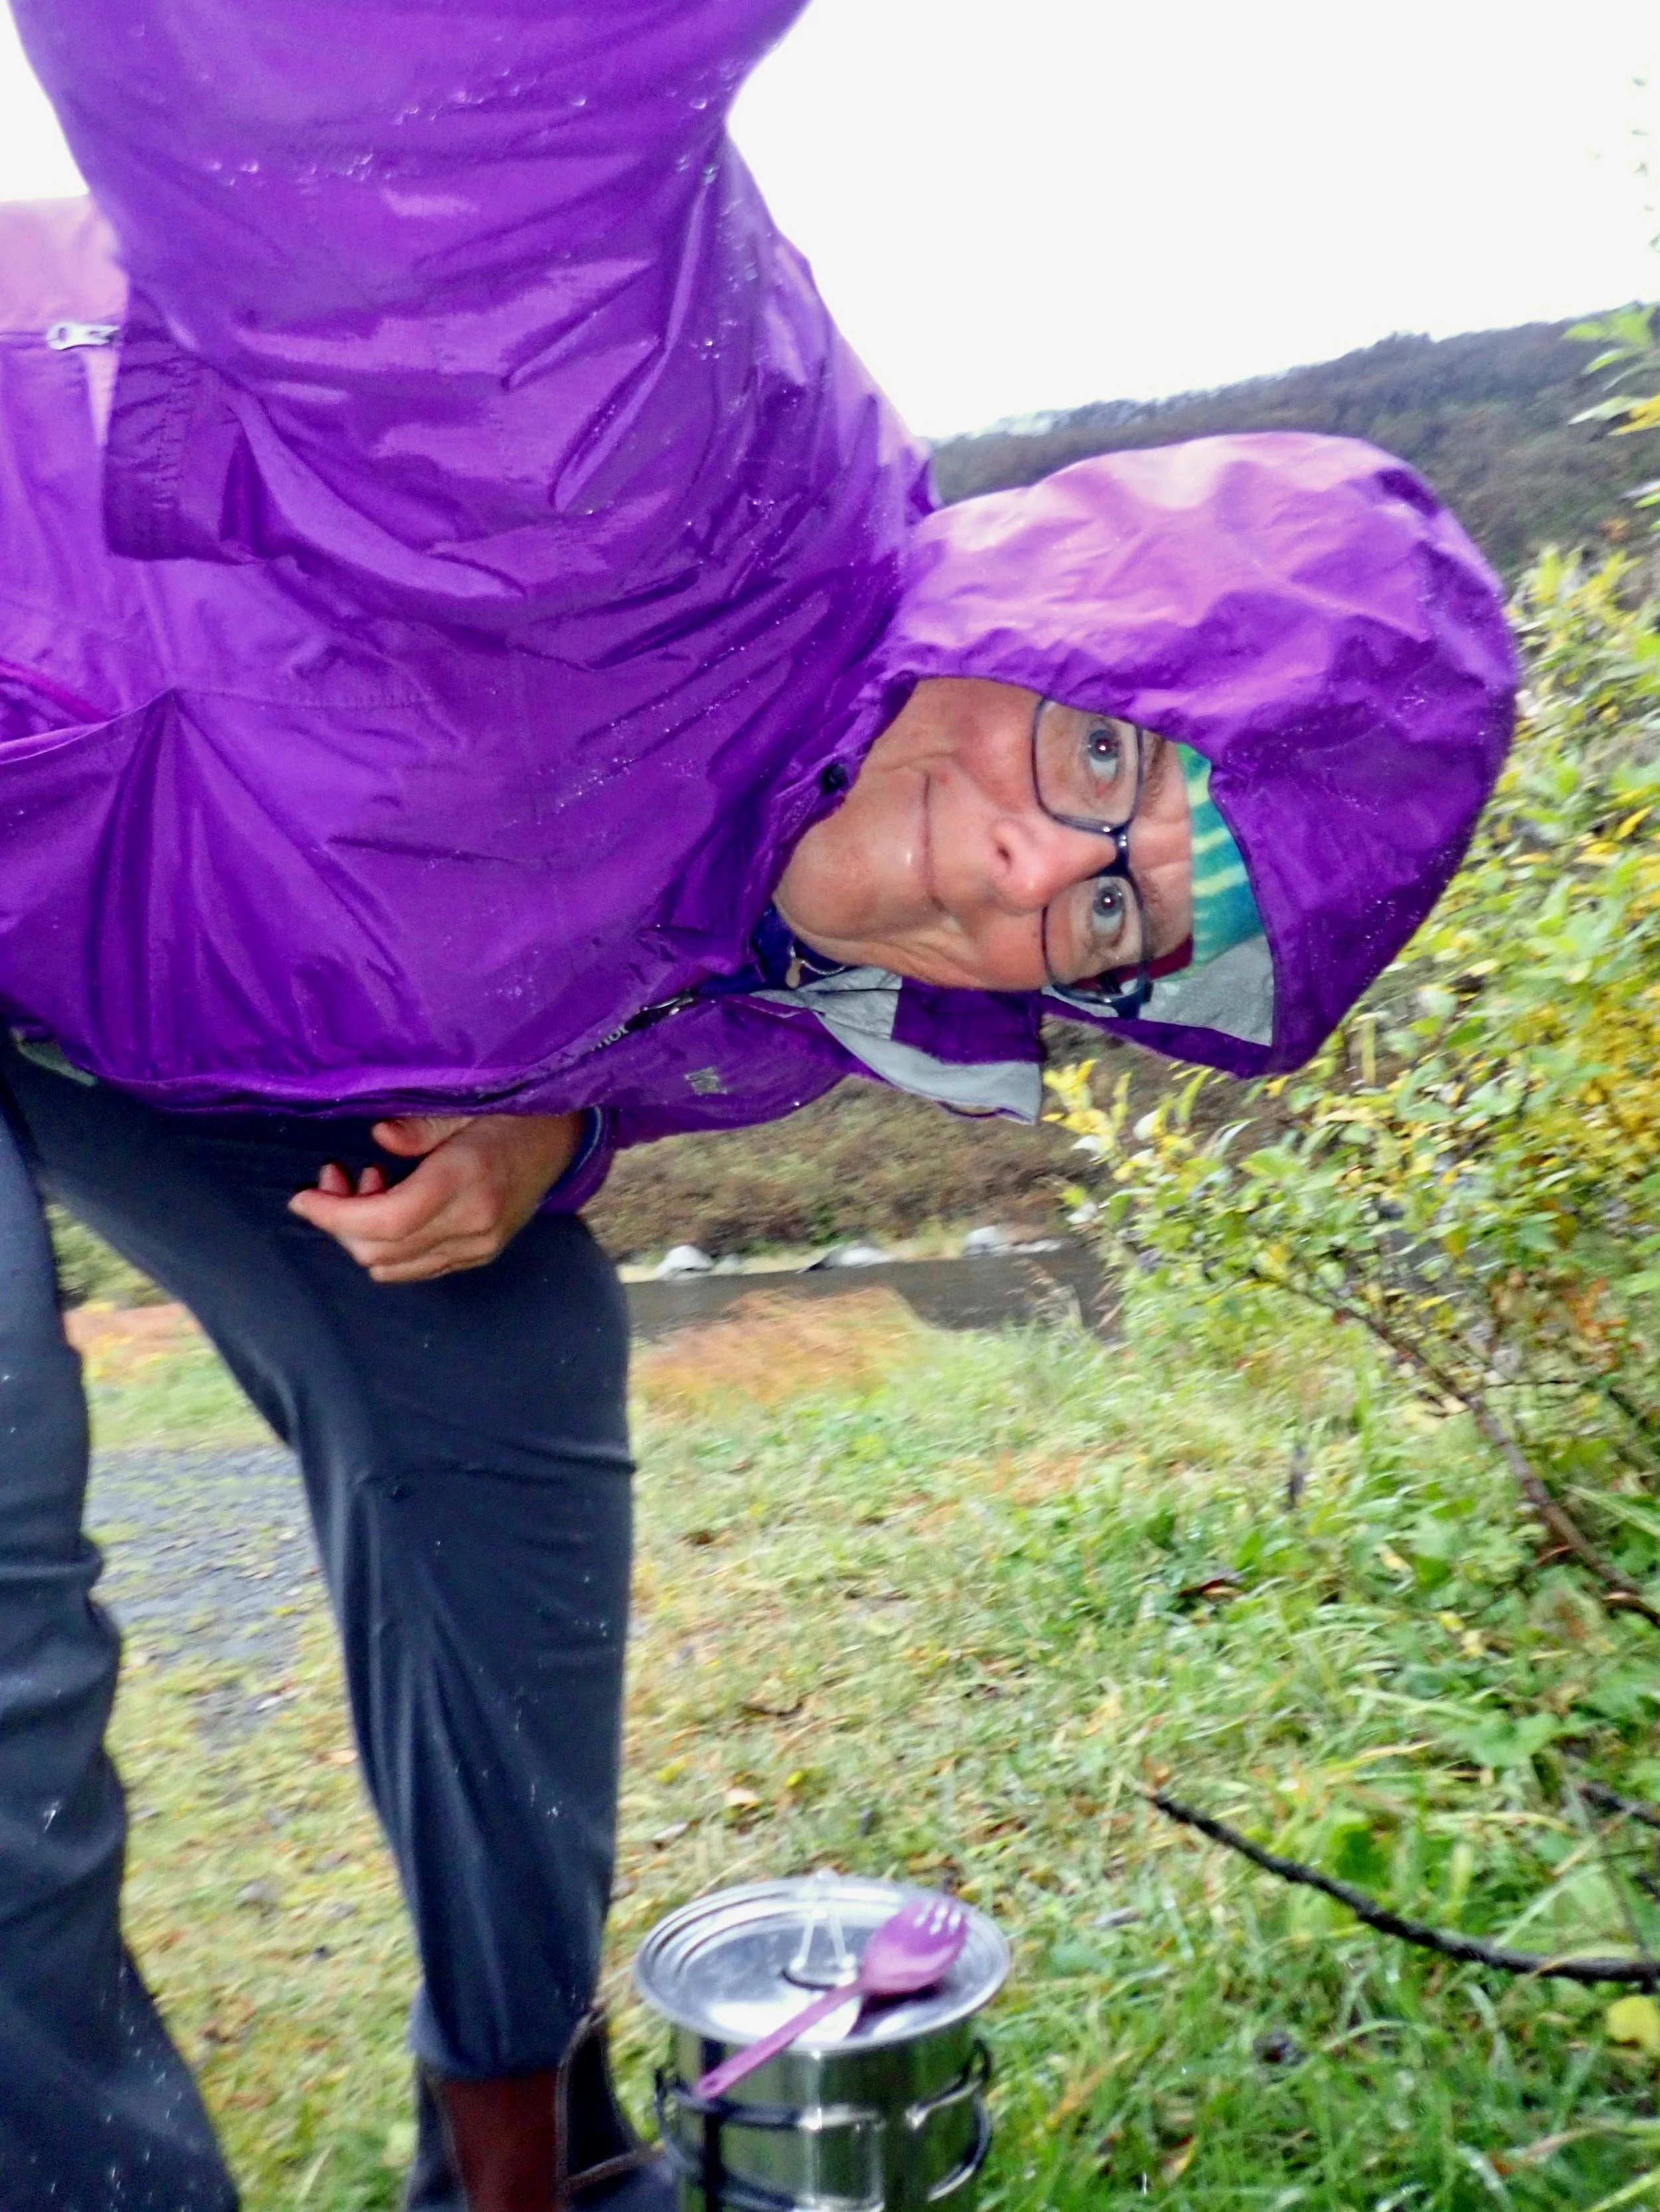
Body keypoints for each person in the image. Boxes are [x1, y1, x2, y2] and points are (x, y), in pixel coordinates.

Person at [0, 1, 1517, 2207]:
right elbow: (400, 129)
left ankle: (511, 2137)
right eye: (1095, 757)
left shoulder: (834, 984)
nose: (1021, 875)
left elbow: (642, 974)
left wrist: (551, 1133)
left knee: (507, 1351)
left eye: (1108, 918)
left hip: (148, 993)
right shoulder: (650, 491)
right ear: (1032, 609)